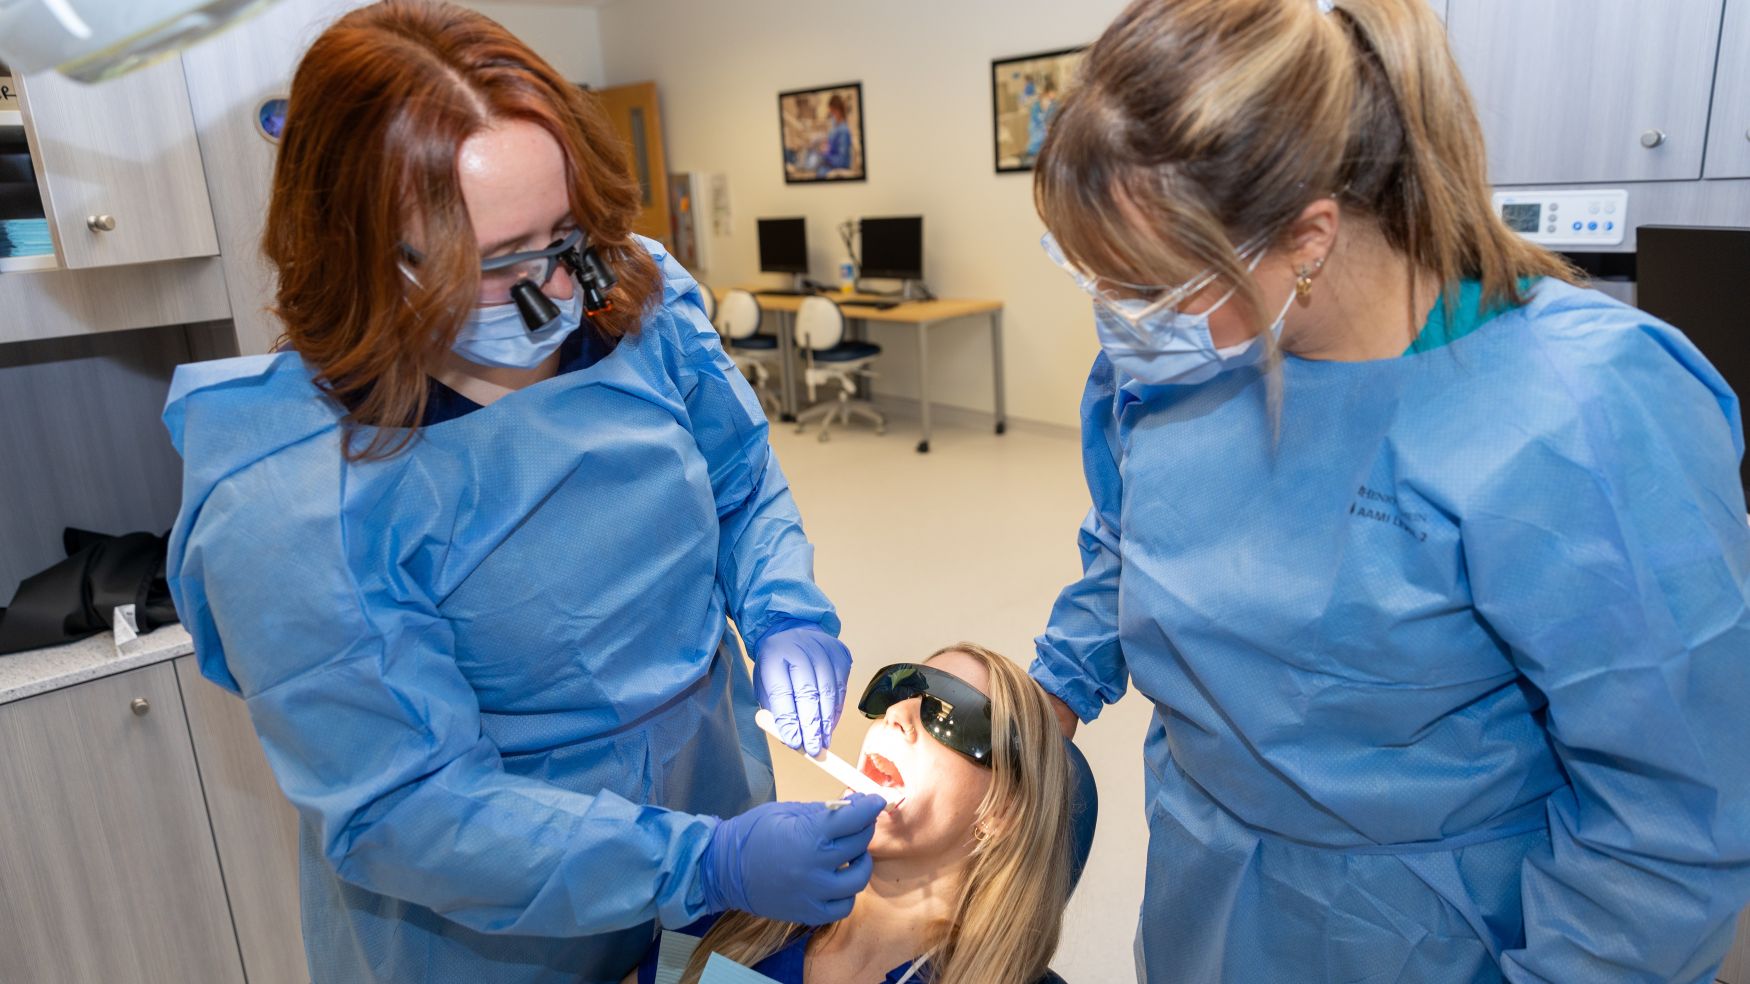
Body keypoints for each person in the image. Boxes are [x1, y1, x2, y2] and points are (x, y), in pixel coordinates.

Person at [1029, 0, 1750, 981]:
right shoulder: (1176, 364)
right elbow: (1127, 545)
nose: (1123, 319)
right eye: (1098, 279)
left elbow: (1671, 819)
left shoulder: (1577, 417)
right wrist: (1041, 704)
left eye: (1149, 284)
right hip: (1203, 885)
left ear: (1306, 237)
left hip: (1427, 933)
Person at [161, 3, 878, 981]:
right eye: (497, 264)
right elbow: (409, 808)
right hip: (484, 909)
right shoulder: (293, 494)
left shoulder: (636, 298)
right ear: (364, 253)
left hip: (706, 790)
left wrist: (783, 608)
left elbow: (738, 484)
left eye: (569, 235)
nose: (558, 292)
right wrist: (704, 864)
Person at [629, 644, 1099, 984]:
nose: (896, 716)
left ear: (1003, 810)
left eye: (945, 714)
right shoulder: (728, 920)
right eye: (896, 693)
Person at [817, 93, 855, 176]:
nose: (831, 116)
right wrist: (826, 149)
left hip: (838, 169)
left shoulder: (843, 131)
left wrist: (825, 156)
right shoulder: (836, 129)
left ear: (837, 111)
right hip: (830, 166)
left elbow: (842, 161)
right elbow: (832, 148)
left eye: (831, 112)